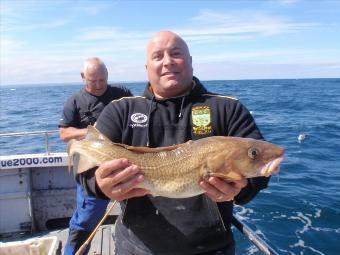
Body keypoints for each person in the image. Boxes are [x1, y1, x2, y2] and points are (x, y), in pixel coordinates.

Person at [78, 31, 272, 255]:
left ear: (190, 61)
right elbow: (86, 169)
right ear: (147, 67)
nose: (168, 61)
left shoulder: (228, 109)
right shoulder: (121, 110)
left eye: (176, 54)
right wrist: (99, 185)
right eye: (158, 56)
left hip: (211, 249)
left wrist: (241, 189)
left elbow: (259, 165)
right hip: (135, 247)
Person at [58, 57, 132, 254]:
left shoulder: (121, 94)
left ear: (107, 75)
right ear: (83, 77)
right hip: (91, 169)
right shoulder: (74, 101)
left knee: (135, 211)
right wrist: (92, 131)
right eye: (93, 81)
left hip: (124, 164)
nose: (99, 85)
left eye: (102, 79)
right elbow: (64, 133)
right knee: (86, 219)